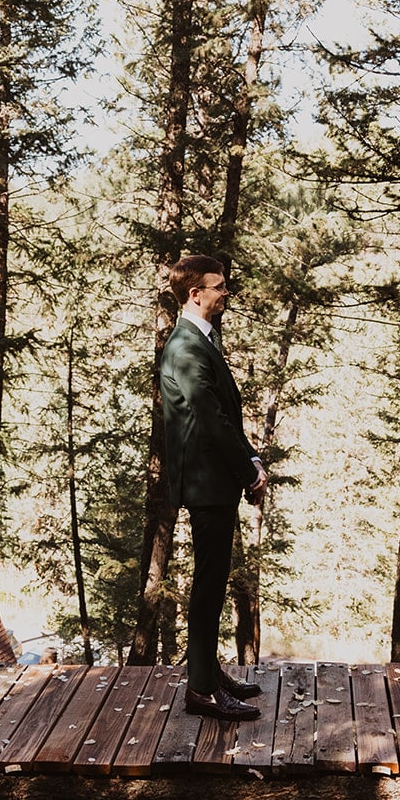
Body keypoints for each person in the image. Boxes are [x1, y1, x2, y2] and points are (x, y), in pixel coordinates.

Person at [159, 254, 268, 722]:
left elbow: (225, 413)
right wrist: (248, 471)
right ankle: (200, 690)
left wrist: (251, 459)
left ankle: (209, 672)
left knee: (214, 582)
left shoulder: (203, 337)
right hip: (206, 485)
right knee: (207, 587)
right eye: (218, 286)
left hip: (217, 479)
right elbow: (209, 419)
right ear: (194, 294)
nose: (226, 292)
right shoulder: (185, 348)